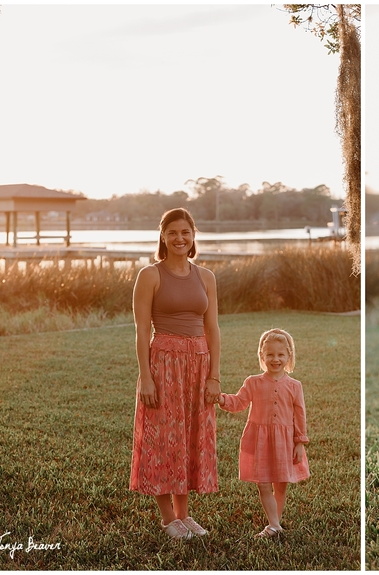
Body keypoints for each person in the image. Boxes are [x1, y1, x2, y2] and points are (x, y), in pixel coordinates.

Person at [129, 207, 221, 540]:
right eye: (172, 233)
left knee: (189, 439)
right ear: (163, 236)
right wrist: (147, 377)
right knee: (162, 440)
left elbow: (212, 328)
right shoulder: (150, 275)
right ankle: (169, 519)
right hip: (163, 364)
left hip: (198, 365)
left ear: (193, 235)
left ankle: (184, 515)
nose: (179, 238)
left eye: (185, 232)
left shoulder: (206, 277)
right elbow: (141, 332)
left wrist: (214, 375)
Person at [217, 328, 310, 538]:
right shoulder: (253, 382)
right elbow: (239, 402)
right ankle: (273, 525)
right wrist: (222, 399)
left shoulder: (295, 386)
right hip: (260, 440)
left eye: (280, 355)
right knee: (264, 484)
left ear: (288, 357)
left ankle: (274, 525)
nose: (275, 359)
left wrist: (299, 442)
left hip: (285, 441)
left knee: (281, 485)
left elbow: (300, 415)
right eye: (270, 354)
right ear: (262, 356)